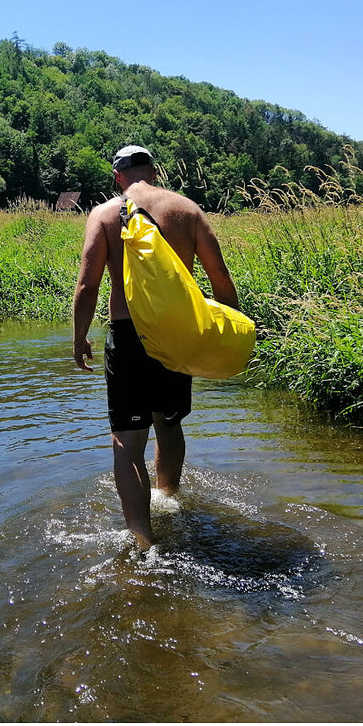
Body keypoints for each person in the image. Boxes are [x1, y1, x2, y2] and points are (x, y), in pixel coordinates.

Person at [72, 144, 241, 550]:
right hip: (177, 337)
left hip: (129, 335)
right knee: (168, 422)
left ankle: (144, 539)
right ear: (154, 171)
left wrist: (79, 338)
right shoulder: (187, 210)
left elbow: (87, 286)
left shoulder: (106, 214)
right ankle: (168, 498)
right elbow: (221, 282)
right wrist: (226, 336)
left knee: (127, 440)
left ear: (118, 177)